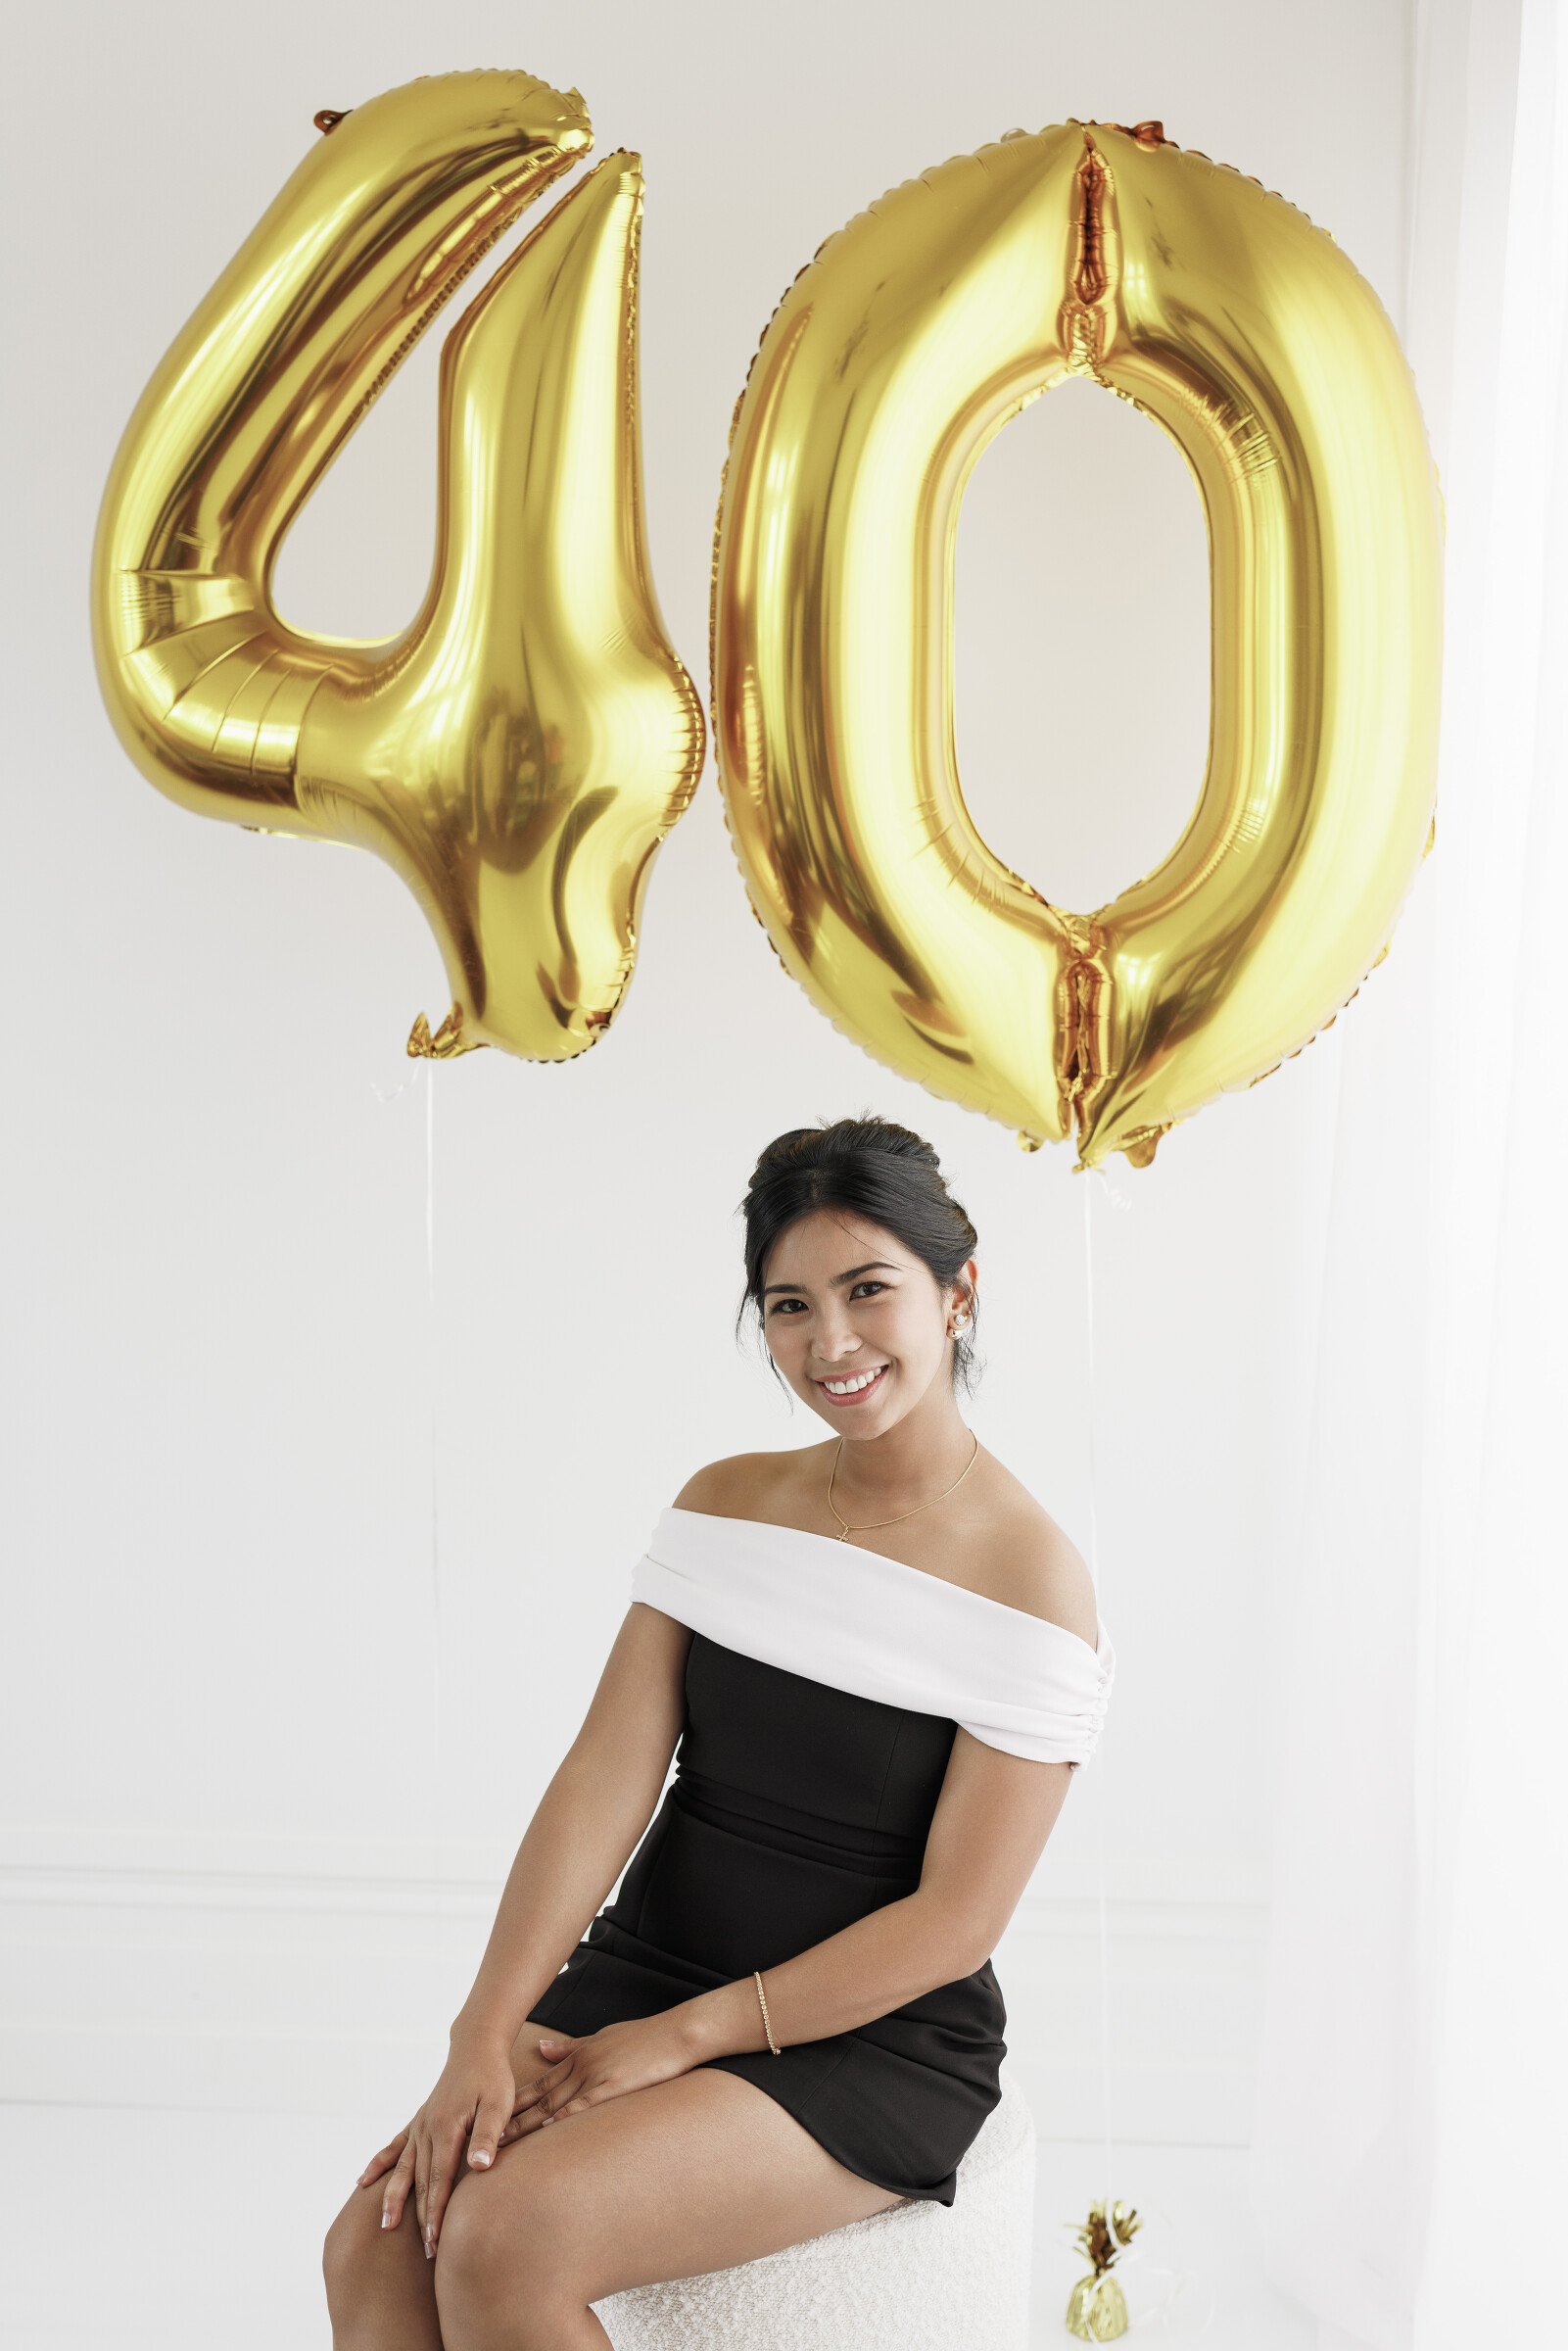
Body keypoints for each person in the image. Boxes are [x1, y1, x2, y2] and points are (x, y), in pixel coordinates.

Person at [323, 1117, 1113, 2351]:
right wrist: (481, 2028)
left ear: (957, 1291)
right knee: (378, 2241)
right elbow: (603, 1777)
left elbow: (956, 1920)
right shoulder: (726, 1502)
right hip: (649, 1962)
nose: (830, 1342)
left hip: (868, 2032)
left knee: (505, 2236)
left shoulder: (1032, 1579)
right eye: (789, 1306)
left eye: (867, 1290)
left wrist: (683, 2039)